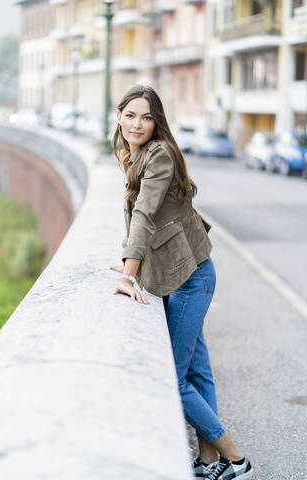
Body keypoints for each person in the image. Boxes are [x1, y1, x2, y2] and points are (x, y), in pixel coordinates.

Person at [110, 85, 253, 480]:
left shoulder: (159, 155)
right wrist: (128, 259)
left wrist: (129, 273)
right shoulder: (128, 150)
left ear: (158, 122)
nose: (138, 123)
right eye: (131, 114)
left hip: (191, 278)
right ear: (118, 115)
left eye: (147, 116)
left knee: (172, 379)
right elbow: (140, 219)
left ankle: (236, 459)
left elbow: (145, 211)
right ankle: (210, 460)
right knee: (197, 372)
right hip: (179, 274)